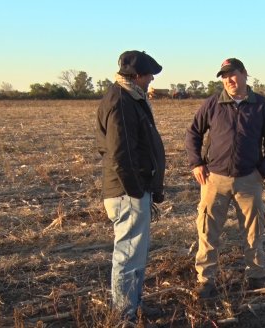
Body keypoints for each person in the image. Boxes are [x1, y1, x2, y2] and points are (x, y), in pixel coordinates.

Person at [185, 58, 265, 298]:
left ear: (244, 74)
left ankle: (257, 275)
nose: (228, 80)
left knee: (253, 230)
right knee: (207, 230)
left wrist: (264, 170)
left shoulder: (260, 105)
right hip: (214, 179)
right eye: (224, 76)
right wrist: (196, 162)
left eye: (232, 74)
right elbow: (193, 133)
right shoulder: (213, 104)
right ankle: (206, 280)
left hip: (250, 178)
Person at [95, 50, 165, 320]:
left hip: (133, 190)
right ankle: (124, 315)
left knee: (135, 255)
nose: (150, 81)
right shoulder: (121, 100)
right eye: (149, 76)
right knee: (127, 255)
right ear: (137, 76)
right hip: (127, 192)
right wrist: (136, 190)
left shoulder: (129, 97)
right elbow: (119, 153)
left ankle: (133, 306)